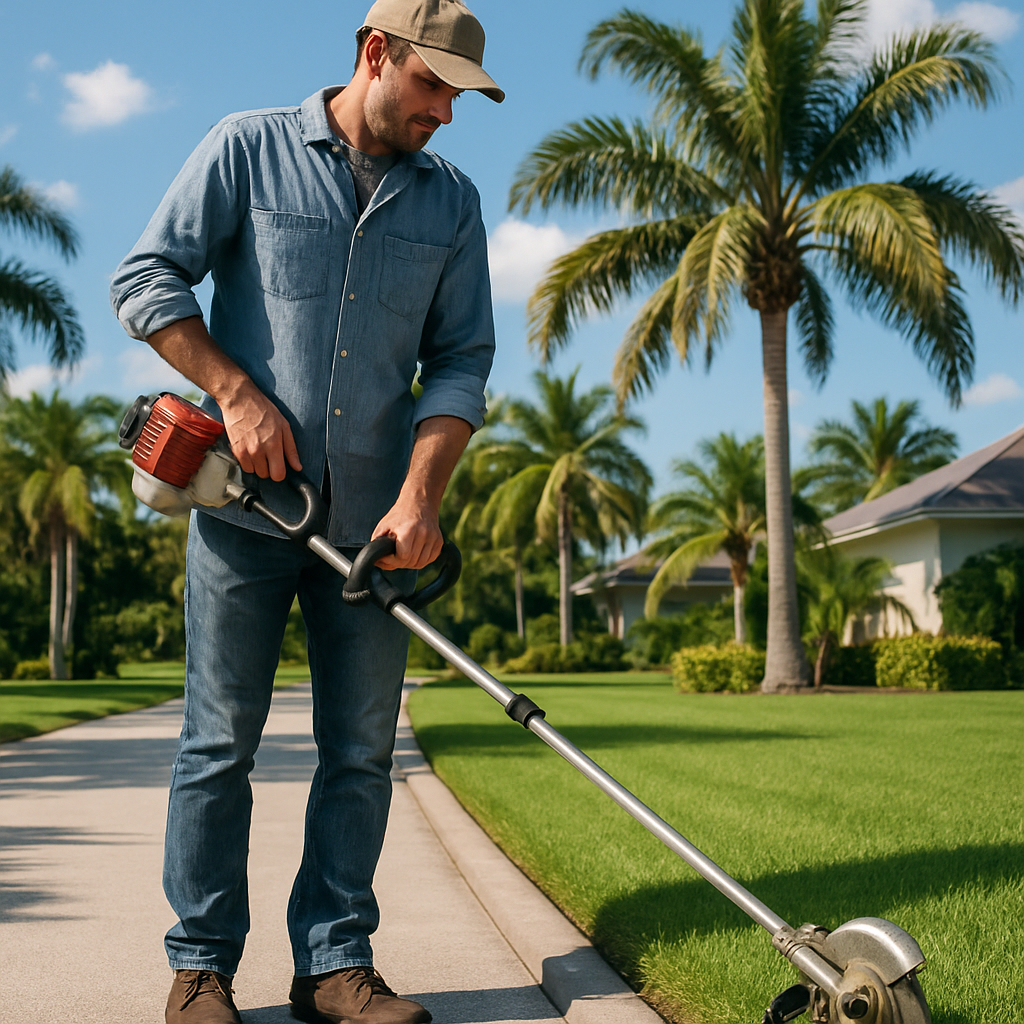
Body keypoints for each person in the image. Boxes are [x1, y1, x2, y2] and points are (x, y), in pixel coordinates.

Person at [109, 2, 502, 1021]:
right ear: (376, 55)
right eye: (432, 87)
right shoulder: (247, 149)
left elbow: (461, 359)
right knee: (218, 741)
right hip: (245, 513)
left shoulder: (450, 204)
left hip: (376, 536)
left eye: (458, 96)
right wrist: (234, 396)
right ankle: (199, 967)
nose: (446, 114)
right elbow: (146, 277)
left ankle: (334, 964)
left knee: (361, 751)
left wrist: (421, 499)